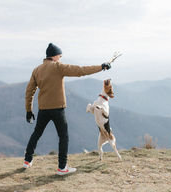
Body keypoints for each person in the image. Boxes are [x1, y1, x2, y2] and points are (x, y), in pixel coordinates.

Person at [24, 43, 111, 175]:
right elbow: (81, 70)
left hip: (43, 109)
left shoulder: (37, 70)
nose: (60, 58)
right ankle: (62, 167)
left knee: (36, 133)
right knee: (63, 137)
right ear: (54, 56)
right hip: (58, 109)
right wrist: (101, 67)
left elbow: (29, 91)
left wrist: (29, 110)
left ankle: (27, 160)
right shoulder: (58, 67)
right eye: (59, 56)